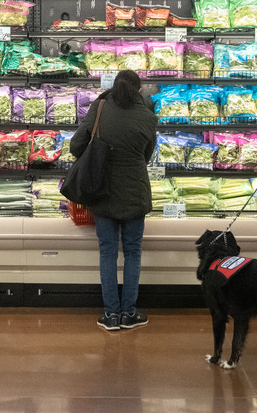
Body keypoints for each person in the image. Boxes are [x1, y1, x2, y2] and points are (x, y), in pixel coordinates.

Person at [70, 70, 157, 332]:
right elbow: (147, 155)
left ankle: (111, 315)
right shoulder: (147, 115)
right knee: (132, 253)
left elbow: (76, 146)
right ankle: (129, 313)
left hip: (102, 190)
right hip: (135, 193)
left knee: (108, 252)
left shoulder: (100, 107)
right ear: (138, 89)